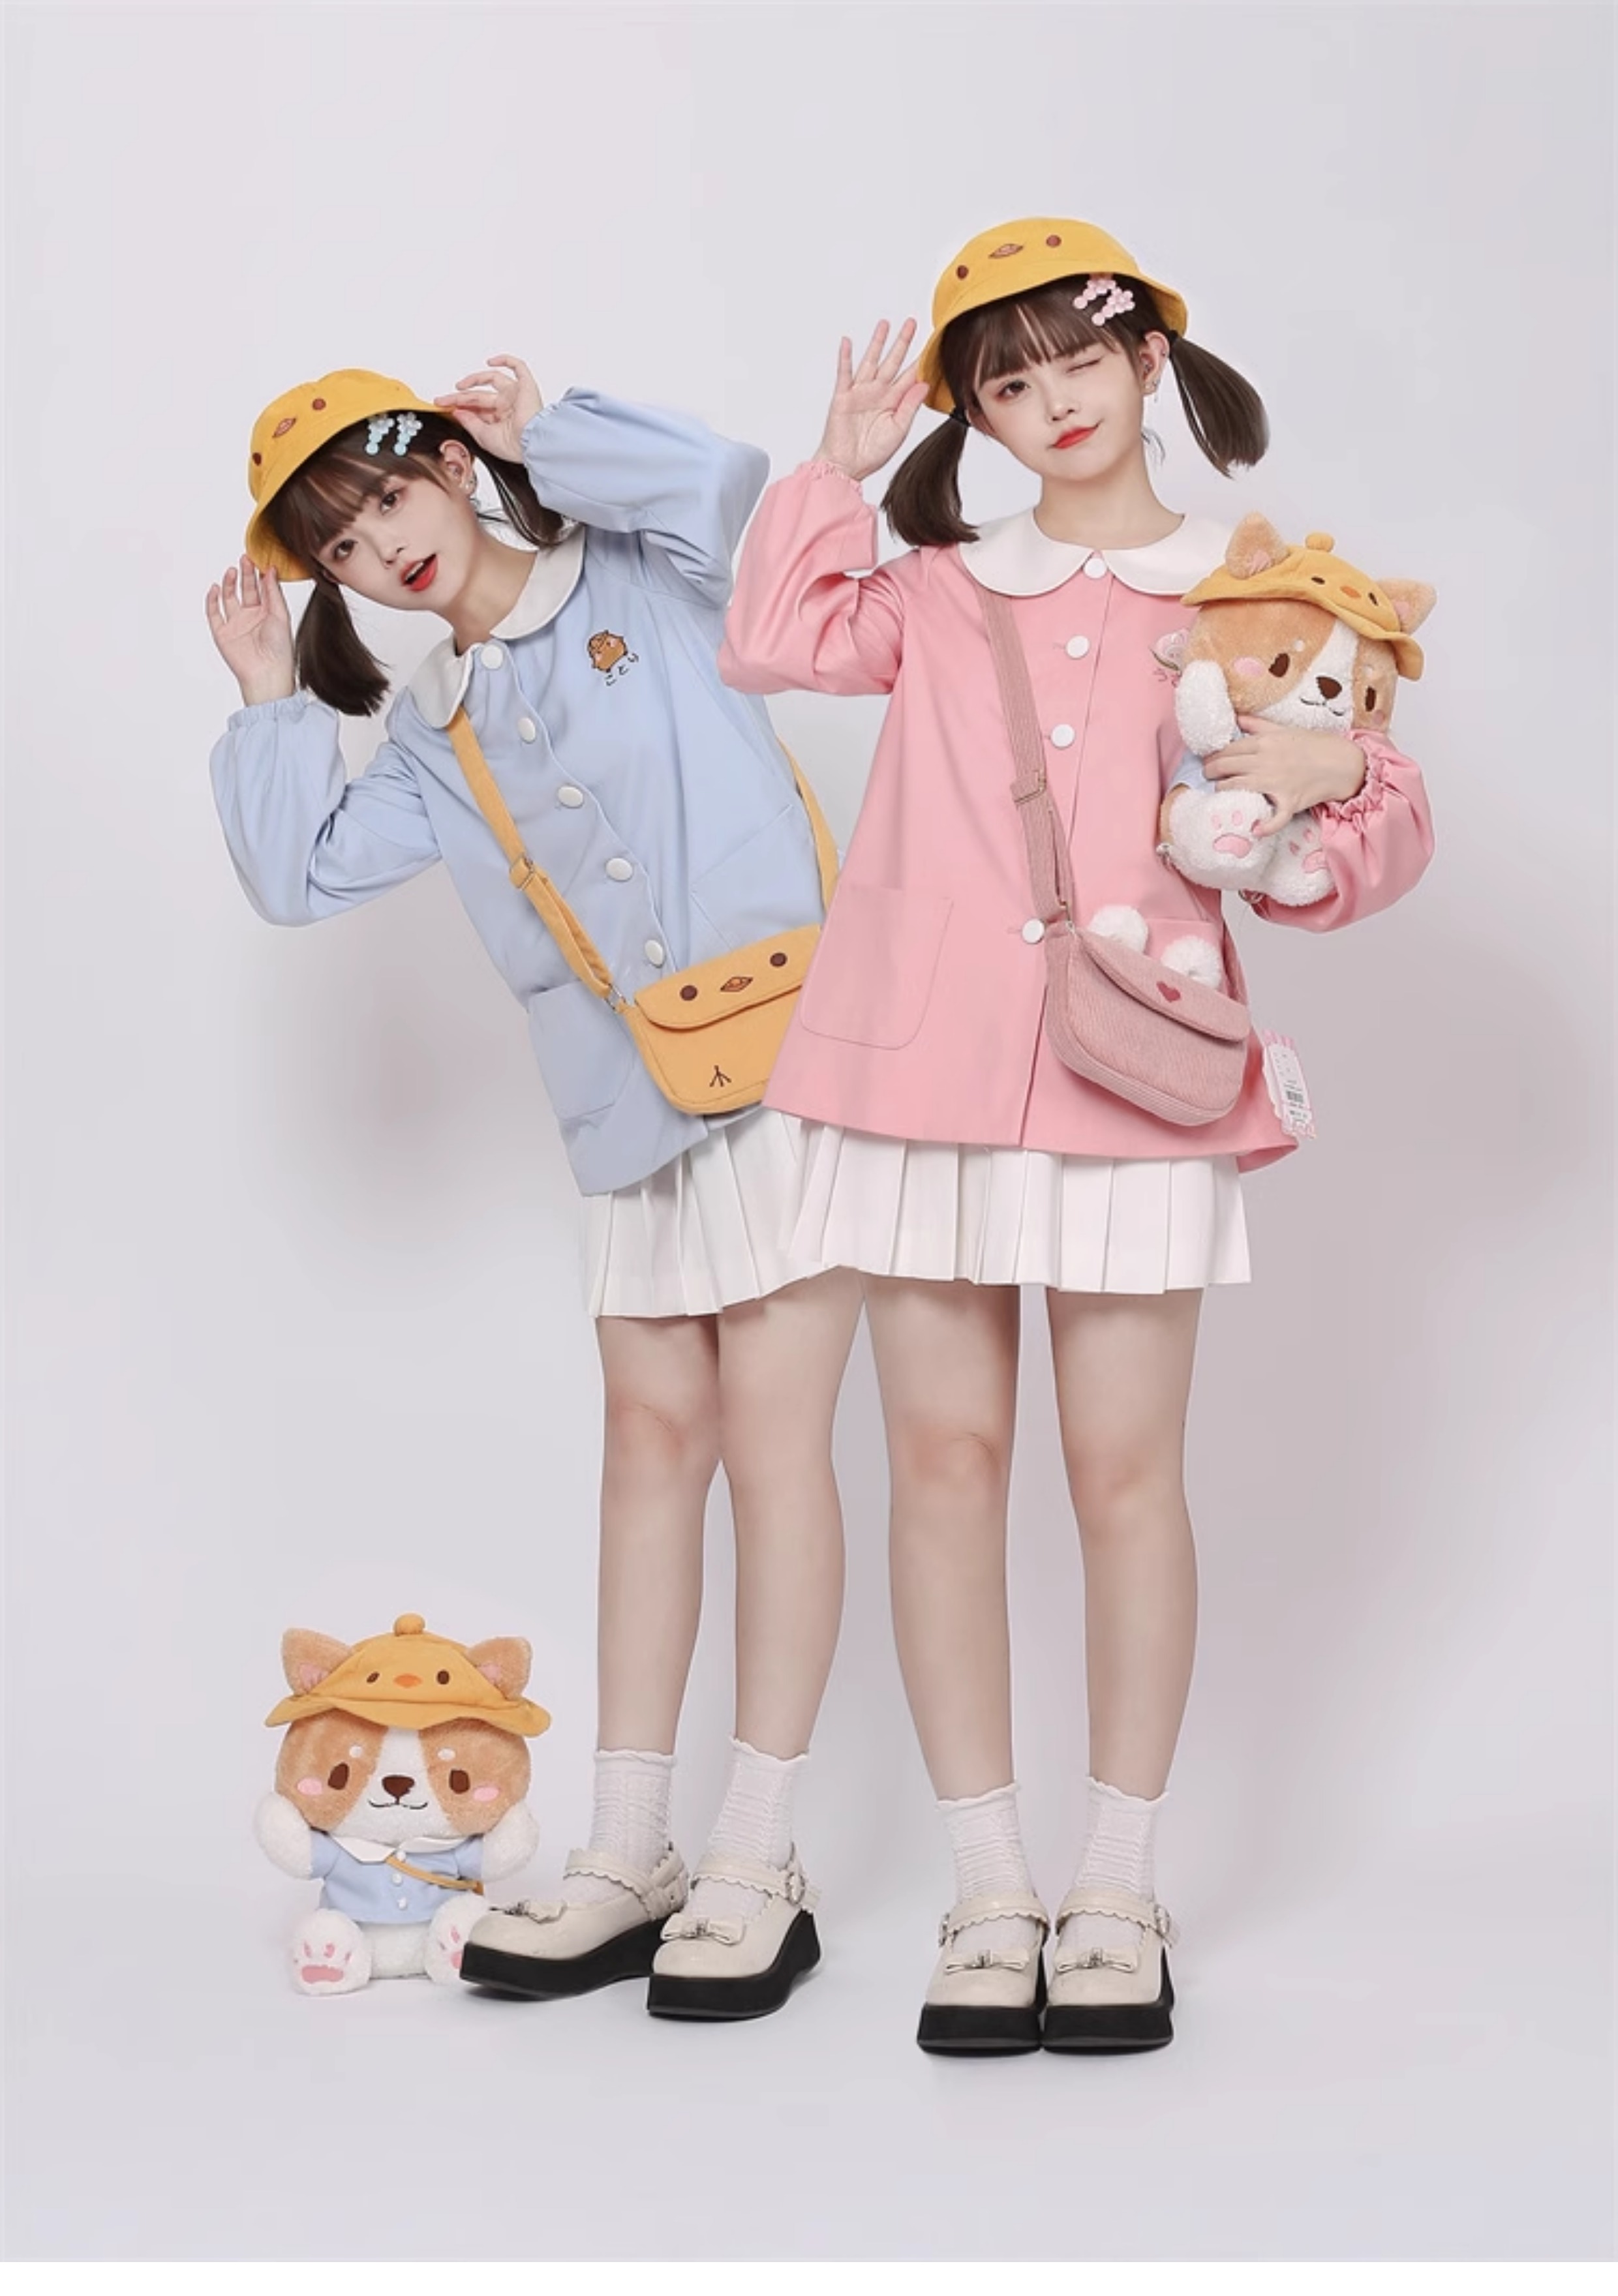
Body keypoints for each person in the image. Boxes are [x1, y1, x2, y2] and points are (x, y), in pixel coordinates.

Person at [719, 220, 1433, 2054]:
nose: (1051, 406)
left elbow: (1365, 814)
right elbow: (771, 639)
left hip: (1135, 1082)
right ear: (976, 415)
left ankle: (1117, 1884)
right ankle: (988, 1888)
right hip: (918, 1082)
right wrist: (840, 466)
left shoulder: (1252, 584)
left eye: (1077, 363)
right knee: (945, 1467)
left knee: (1125, 1478)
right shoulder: (941, 585)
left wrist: (1324, 786)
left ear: (1147, 361)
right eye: (1008, 384)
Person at [207, 358, 860, 2021]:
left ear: (445, 463)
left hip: (791, 1066)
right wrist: (273, 694)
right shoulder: (430, 726)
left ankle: (757, 1857)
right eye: (341, 545)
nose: (384, 547)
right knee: (650, 1445)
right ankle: (630, 1847)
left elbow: (733, 488)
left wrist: (540, 435)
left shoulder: (646, 572)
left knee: (777, 1445)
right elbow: (295, 875)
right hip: (624, 1111)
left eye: (390, 495)